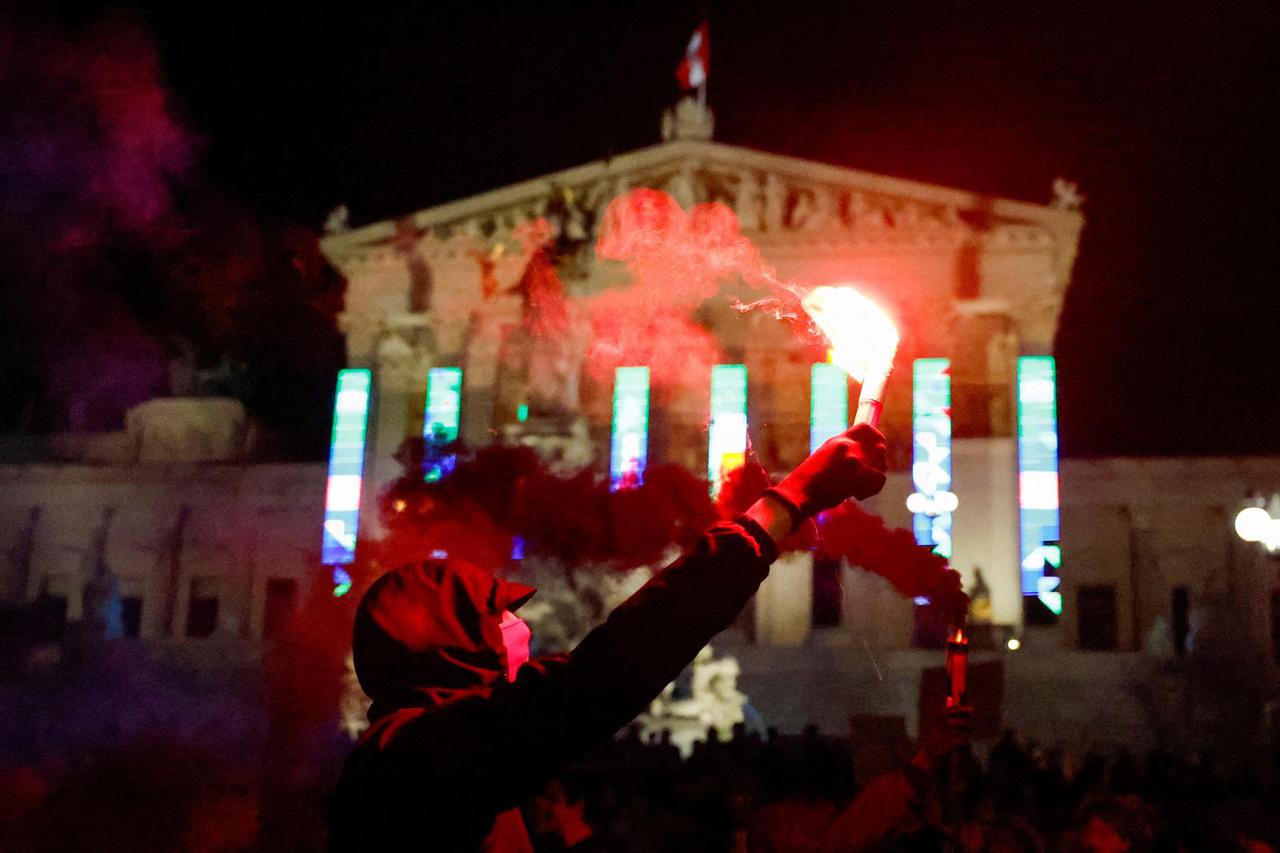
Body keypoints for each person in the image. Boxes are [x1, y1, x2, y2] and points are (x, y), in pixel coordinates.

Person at [327, 424, 890, 851]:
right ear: (452, 640)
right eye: (499, 616)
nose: (521, 626)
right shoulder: (415, 754)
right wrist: (783, 506)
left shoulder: (423, 751)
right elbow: (610, 668)